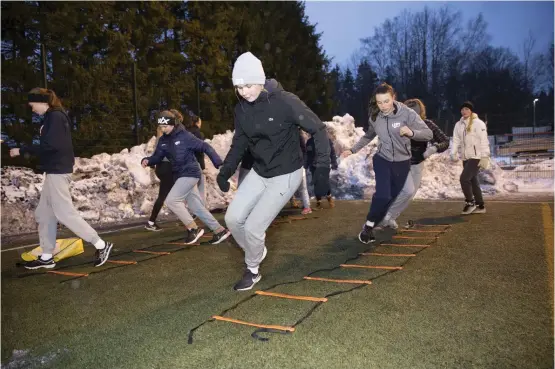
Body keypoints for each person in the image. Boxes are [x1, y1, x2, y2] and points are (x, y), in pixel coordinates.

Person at [217, 52, 331, 291]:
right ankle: (256, 250)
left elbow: (318, 130)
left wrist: (321, 171)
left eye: (247, 85)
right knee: (232, 219)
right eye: (238, 87)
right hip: (260, 171)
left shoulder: (285, 102)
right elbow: (240, 142)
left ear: (259, 80)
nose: (244, 92)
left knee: (253, 227)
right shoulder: (242, 109)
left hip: (286, 174)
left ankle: (252, 269)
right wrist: (226, 170)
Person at [10, 88, 114, 269]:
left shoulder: (55, 117)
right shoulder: (52, 117)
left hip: (58, 171)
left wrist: (22, 150)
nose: (31, 108)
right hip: (54, 171)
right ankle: (47, 256)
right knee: (44, 213)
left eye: (32, 104)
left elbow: (51, 146)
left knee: (65, 213)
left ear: (42, 101)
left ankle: (101, 245)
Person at [341, 83, 433, 244]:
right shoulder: (375, 116)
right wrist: (353, 149)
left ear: (394, 98)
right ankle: (368, 228)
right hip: (382, 159)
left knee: (401, 193)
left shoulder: (407, 113)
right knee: (383, 195)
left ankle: (385, 218)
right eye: (379, 102)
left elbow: (428, 133)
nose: (383, 106)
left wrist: (412, 133)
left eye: (386, 101)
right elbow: (368, 136)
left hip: (402, 161)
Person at [141, 110, 231, 244]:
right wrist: (148, 160)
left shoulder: (185, 136)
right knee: (196, 207)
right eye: (161, 127)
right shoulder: (164, 141)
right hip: (179, 175)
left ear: (173, 124)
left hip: (191, 172)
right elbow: (158, 156)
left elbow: (205, 146)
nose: (163, 129)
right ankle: (219, 230)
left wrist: (218, 162)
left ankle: (193, 229)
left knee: (172, 200)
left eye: (165, 126)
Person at [379, 98, 450, 229]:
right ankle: (385, 216)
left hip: (417, 164)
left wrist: (433, 148)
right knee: (406, 191)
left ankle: (390, 218)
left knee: (410, 195)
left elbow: (445, 141)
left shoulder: (427, 124)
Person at [450, 101, 490, 215]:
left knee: (464, 179)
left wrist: (485, 156)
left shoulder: (479, 123)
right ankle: (480, 206)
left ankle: (470, 203)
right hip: (466, 157)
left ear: (471, 110)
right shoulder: (458, 124)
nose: (464, 111)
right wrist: (453, 153)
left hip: (476, 157)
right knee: (473, 181)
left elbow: (484, 140)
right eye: (462, 109)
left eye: (467, 109)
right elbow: (456, 140)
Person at [145, 125, 174, 231]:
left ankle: (151, 221)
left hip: (162, 168)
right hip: (167, 168)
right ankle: (151, 221)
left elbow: (154, 155)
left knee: (165, 194)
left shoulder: (159, 139)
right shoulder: (165, 139)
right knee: (164, 196)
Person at [306, 128, 338, 208]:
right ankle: (318, 201)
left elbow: (332, 152)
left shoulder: (327, 140)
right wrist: (306, 165)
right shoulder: (309, 142)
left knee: (325, 182)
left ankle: (329, 198)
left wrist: (334, 162)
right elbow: (308, 155)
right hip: (314, 166)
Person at [186, 114, 207, 206]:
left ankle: (193, 208)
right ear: (198, 122)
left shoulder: (185, 132)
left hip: (186, 163)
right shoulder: (199, 134)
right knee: (201, 187)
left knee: (192, 188)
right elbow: (200, 151)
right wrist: (203, 166)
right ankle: (201, 208)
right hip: (196, 163)